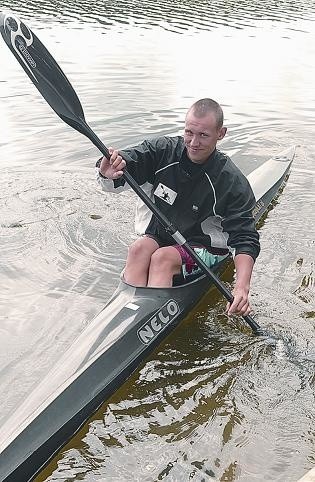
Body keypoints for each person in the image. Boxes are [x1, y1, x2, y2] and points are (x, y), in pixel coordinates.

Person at [96, 98, 260, 316]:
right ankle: (125, 313)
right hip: (163, 234)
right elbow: (128, 163)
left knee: (162, 259)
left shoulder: (230, 181)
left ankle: (152, 318)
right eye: (189, 132)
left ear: (221, 134)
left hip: (205, 245)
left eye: (203, 135)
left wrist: (241, 288)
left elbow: (245, 239)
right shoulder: (162, 152)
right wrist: (108, 168)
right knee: (138, 249)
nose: (193, 142)